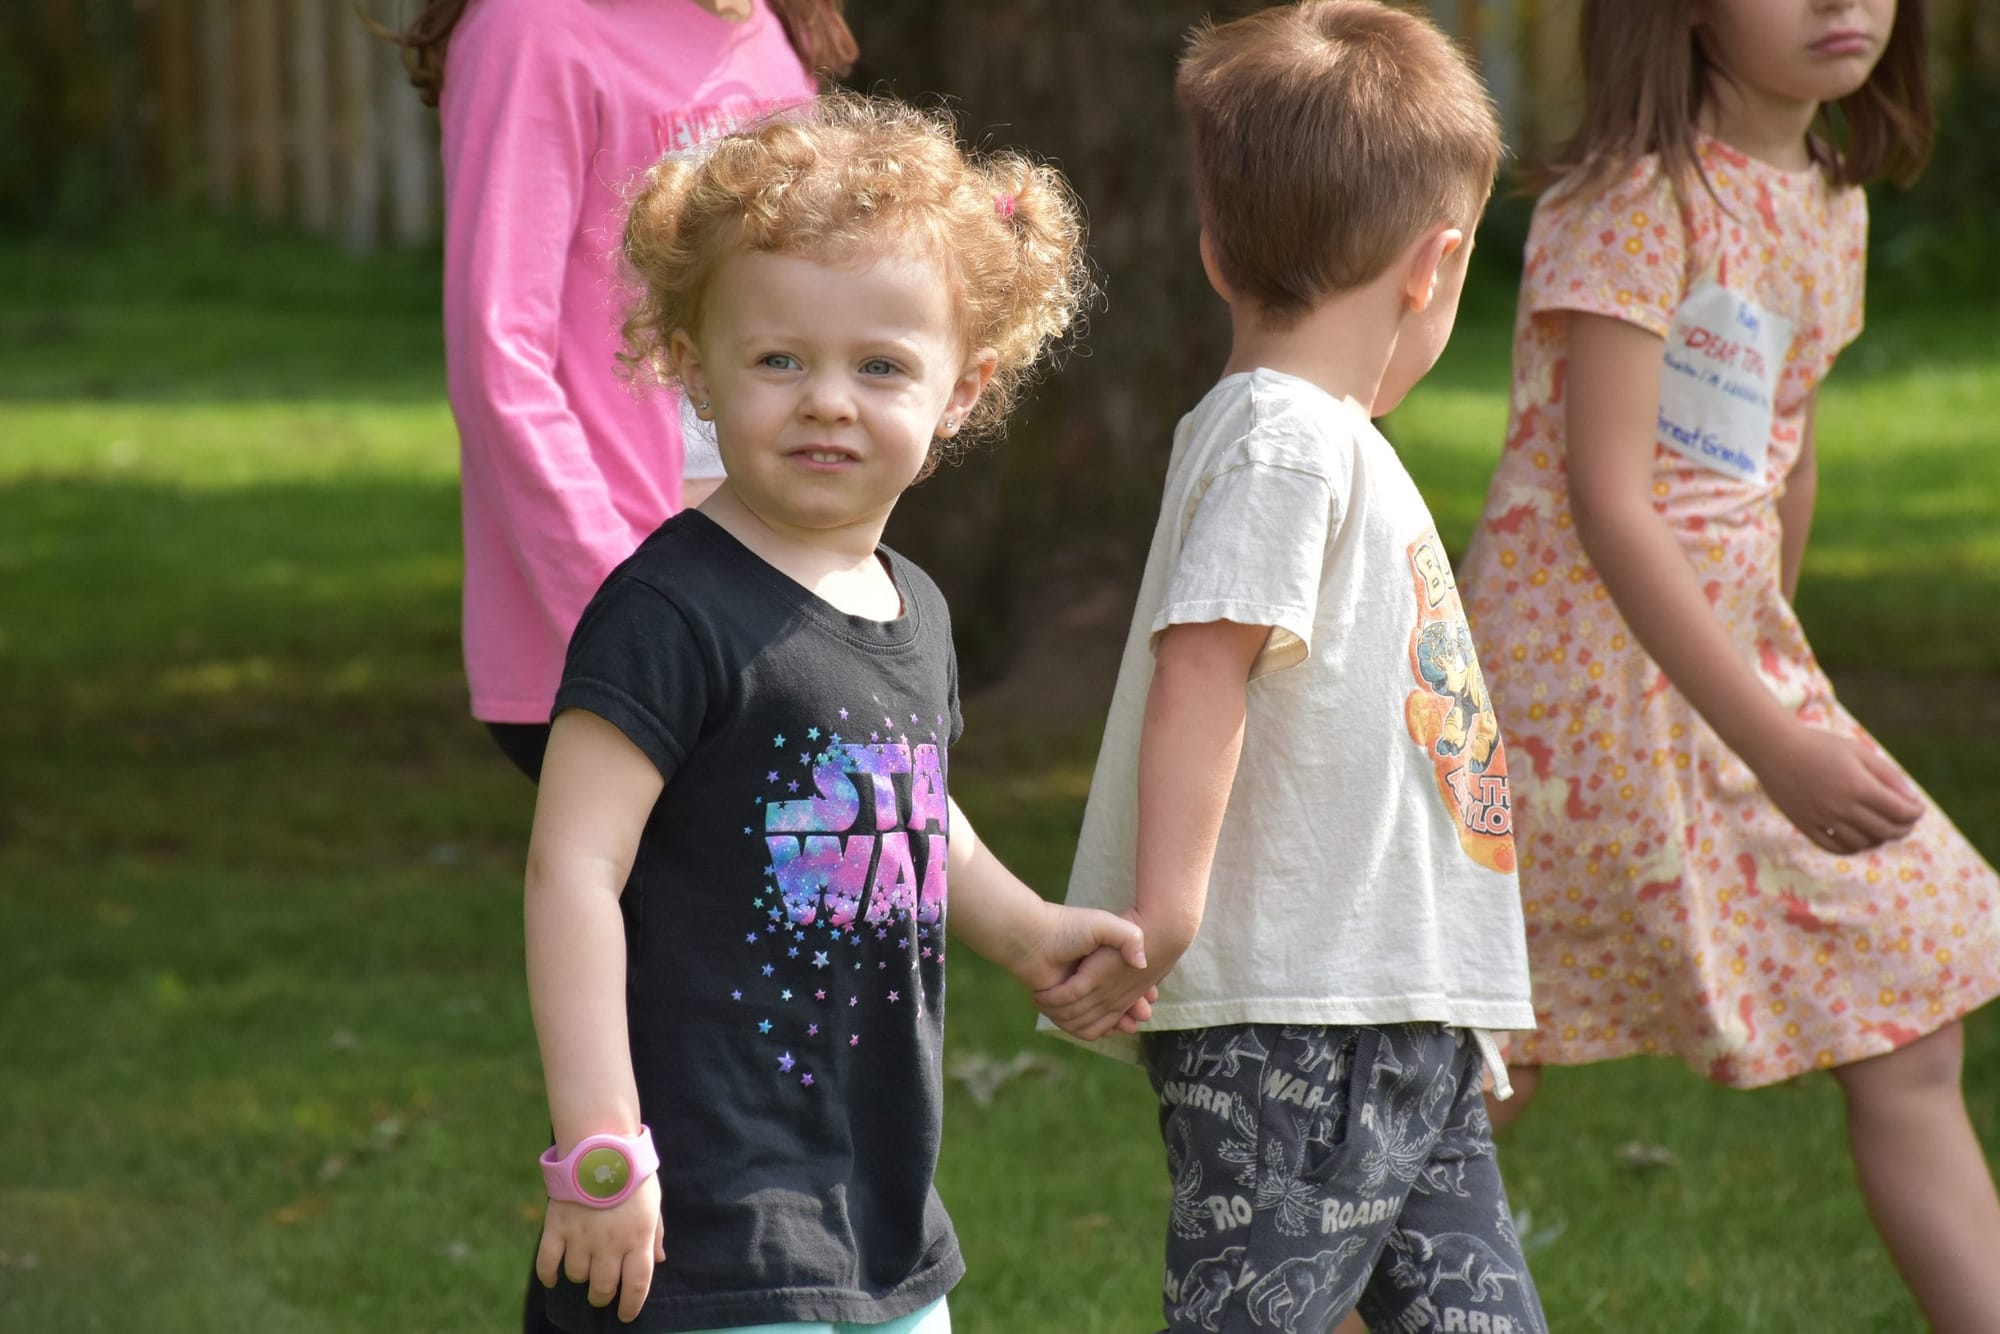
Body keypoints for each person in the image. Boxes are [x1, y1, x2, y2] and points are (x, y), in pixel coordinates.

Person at [522, 93, 1153, 1334]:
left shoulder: (908, 603)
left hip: (876, 1203)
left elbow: (908, 804)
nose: (826, 399)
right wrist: (600, 1145)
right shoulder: (667, 610)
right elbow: (571, 868)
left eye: (878, 366)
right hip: (703, 1214)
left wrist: (1023, 929)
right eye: (778, 360)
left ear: (960, 392)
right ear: (693, 363)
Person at [1453, 0, 2000, 1327]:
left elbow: (1782, 452)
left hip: (1730, 682)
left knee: (1914, 1002)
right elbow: (1610, 498)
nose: (1843, 5)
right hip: (1570, 694)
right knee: (1479, 1066)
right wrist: (1769, 733)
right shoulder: (1636, 202)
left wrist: (1777, 672)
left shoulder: (1826, 201)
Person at [1034, 5, 1546, 1331]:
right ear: (1435, 266)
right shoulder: (1285, 442)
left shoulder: (1314, 438)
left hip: (1389, 1012)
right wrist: (1168, 913)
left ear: (1214, 253)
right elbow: (1205, 666)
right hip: (1295, 1029)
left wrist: (1457, 994)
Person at [382, 0, 857, 782]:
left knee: (826, 896)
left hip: (781, 601)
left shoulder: (766, 28)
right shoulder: (530, 27)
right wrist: (629, 617)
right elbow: (501, 359)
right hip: (629, 625)